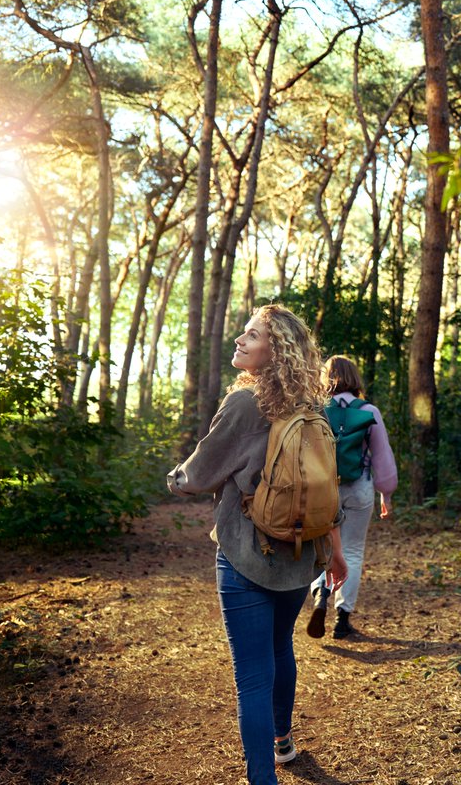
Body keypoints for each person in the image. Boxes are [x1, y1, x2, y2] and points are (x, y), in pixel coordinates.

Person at [167, 304, 347, 785]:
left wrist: (175, 479)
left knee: (251, 674)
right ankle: (283, 742)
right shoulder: (312, 408)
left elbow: (200, 473)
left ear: (275, 351)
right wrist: (337, 549)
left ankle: (262, 778)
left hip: (247, 553)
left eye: (251, 336)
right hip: (300, 554)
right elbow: (328, 485)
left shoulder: (245, 404)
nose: (240, 341)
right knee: (279, 648)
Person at [307, 354, 398, 640]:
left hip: (323, 489)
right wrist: (386, 493)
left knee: (321, 546)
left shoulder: (317, 408)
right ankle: (342, 619)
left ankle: (321, 593)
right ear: (354, 378)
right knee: (353, 550)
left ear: (326, 378)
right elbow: (382, 456)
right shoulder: (369, 410)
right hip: (360, 486)